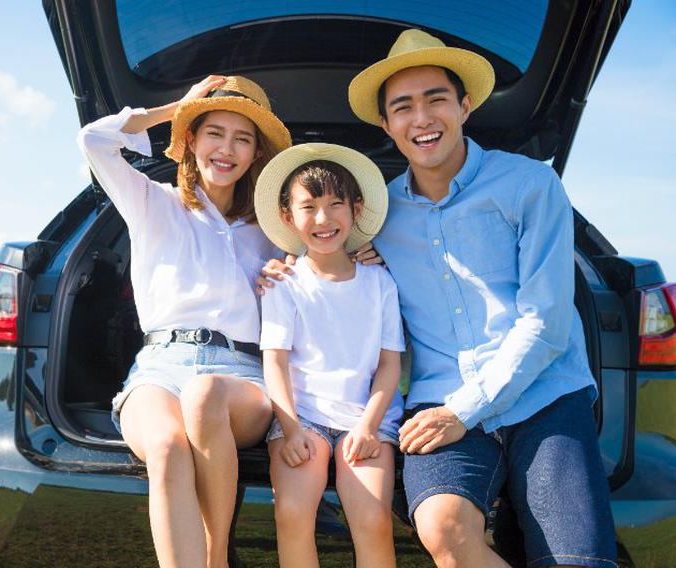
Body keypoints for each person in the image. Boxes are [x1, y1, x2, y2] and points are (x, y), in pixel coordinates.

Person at [261, 29, 617, 567]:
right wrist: (284, 265)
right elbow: (325, 253)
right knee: (443, 531)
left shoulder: (528, 186)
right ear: (386, 125)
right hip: (438, 396)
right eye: (402, 107)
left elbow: (545, 322)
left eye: (436, 100)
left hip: (545, 395)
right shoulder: (375, 219)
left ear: (465, 105)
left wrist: (463, 411)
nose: (421, 119)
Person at [77, 75, 291, 568]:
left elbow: (331, 259)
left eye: (243, 139)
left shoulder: (275, 227)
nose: (227, 149)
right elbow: (93, 139)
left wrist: (355, 255)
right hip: (158, 367)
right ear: (191, 139)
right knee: (168, 447)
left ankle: (217, 556)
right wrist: (178, 106)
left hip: (240, 377)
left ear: (256, 154)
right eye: (214, 132)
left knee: (204, 395)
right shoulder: (153, 201)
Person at [253, 143, 404, 568]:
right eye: (309, 206)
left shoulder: (380, 284)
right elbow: (275, 362)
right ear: (288, 217)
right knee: (293, 513)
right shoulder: (284, 283)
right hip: (304, 419)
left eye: (336, 204)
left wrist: (369, 427)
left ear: (356, 209)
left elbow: (390, 365)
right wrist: (291, 427)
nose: (323, 219)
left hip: (367, 418)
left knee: (373, 519)